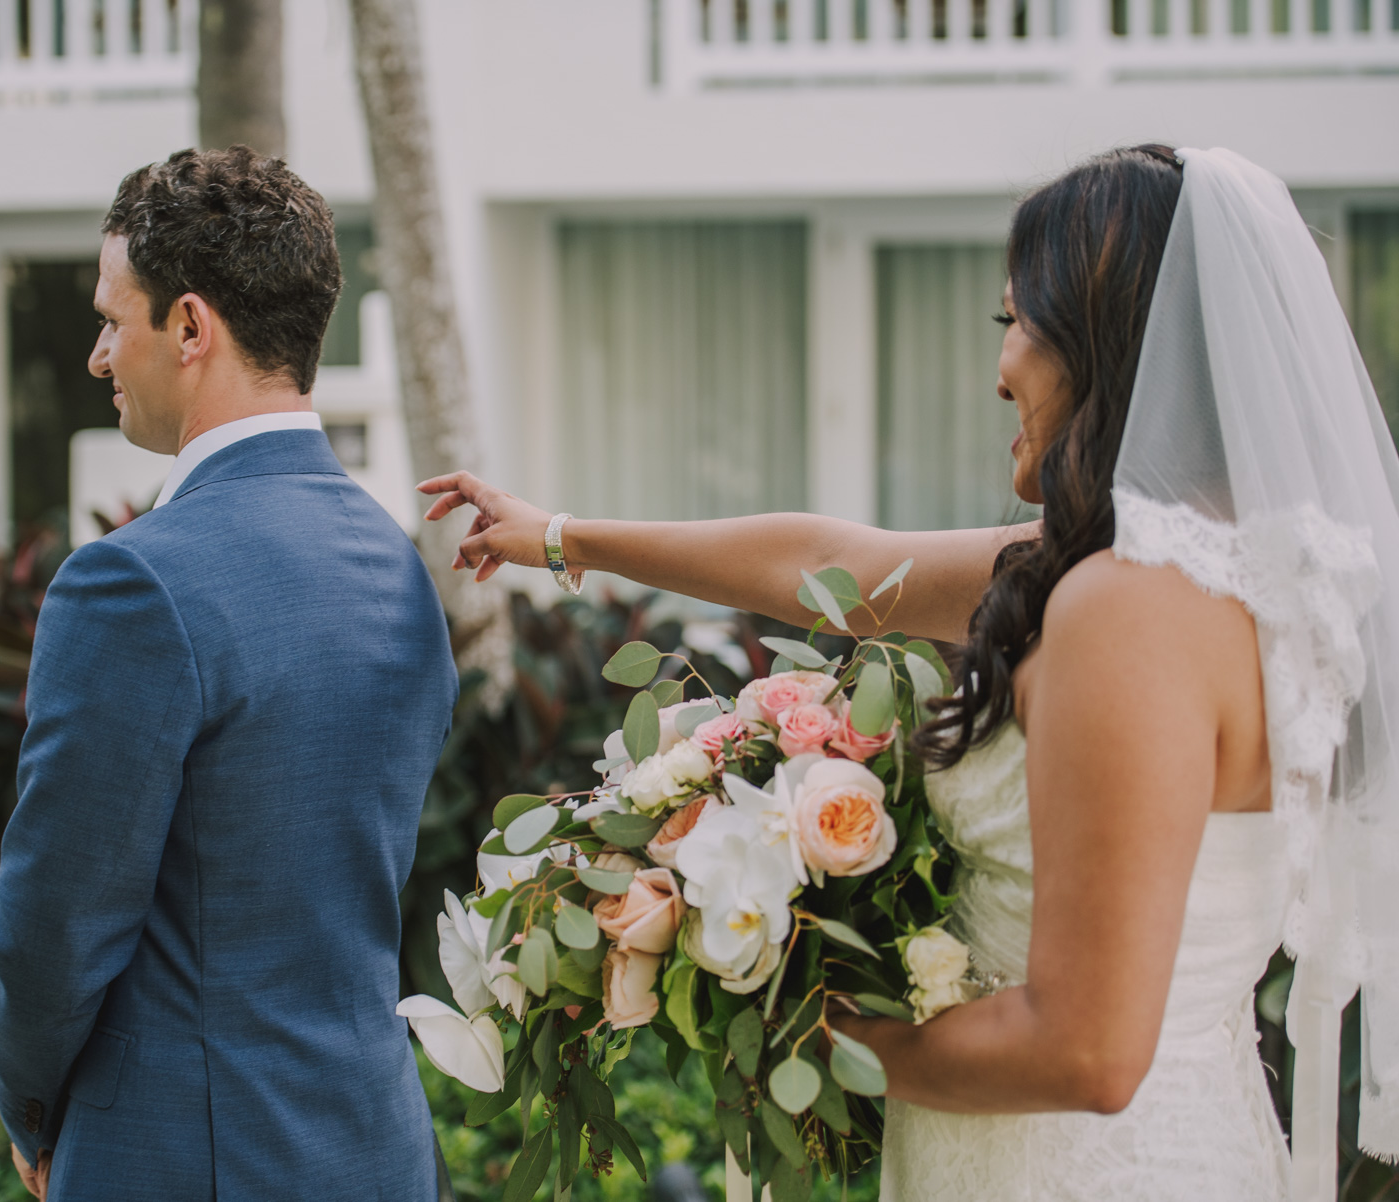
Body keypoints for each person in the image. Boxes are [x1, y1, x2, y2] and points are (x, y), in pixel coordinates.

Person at [418, 146, 1399, 1201]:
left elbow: (1088, 1052)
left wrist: (809, 1024)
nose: (1000, 367)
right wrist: (563, 534)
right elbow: (826, 566)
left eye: (1016, 321)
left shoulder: (1126, 608)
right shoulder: (1243, 585)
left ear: (1106, 338)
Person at [0, 146, 459, 1201]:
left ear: (191, 328)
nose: (101, 355)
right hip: (376, 1147)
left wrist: (27, 1109)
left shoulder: (133, 584)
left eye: (116, 320)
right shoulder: (398, 568)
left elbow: (52, 926)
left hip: (181, 1159)